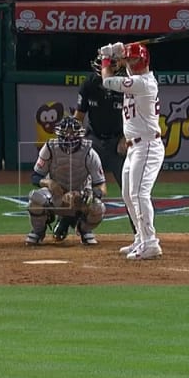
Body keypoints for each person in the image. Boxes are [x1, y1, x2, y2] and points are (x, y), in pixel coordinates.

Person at [98, 41, 164, 260]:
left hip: (147, 146)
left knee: (139, 194)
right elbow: (126, 70)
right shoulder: (138, 79)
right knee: (128, 194)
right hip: (134, 147)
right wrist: (121, 53)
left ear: (143, 60)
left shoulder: (144, 83)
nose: (130, 63)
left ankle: (151, 243)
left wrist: (107, 58)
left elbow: (107, 81)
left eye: (133, 59)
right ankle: (141, 238)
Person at [66, 56, 136, 240]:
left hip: (118, 142)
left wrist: (125, 138)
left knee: (130, 189)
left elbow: (137, 118)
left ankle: (140, 233)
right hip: (94, 139)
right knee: (76, 182)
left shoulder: (129, 86)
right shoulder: (90, 84)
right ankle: (68, 223)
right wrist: (74, 141)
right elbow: (79, 116)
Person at [25, 116, 107, 247]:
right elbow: (35, 176)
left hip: (79, 198)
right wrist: (49, 183)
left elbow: (101, 186)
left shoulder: (89, 153)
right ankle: (38, 231)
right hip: (56, 195)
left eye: (73, 133)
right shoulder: (50, 148)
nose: (69, 137)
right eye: (66, 133)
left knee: (98, 207)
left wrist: (86, 195)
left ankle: (84, 230)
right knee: (35, 197)